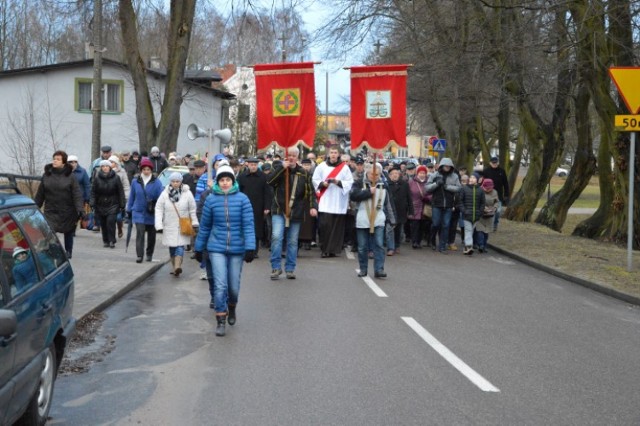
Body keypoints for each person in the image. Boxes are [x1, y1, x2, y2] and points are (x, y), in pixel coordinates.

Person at [194, 165, 255, 337]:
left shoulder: (243, 200)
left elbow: (248, 225)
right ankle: (220, 319)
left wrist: (250, 247)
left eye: (228, 180)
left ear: (233, 181)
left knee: (233, 287)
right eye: (222, 180)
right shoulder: (211, 200)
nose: (225, 183)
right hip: (216, 248)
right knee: (220, 285)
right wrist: (199, 248)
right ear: (218, 182)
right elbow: (205, 227)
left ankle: (232, 307)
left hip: (237, 248)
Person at [267, 146, 317, 280]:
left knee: (293, 241)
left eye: (294, 155)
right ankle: (276, 267)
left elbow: (310, 192)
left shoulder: (303, 173)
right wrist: (282, 168)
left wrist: (313, 207)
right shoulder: (279, 169)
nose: (292, 158)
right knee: (277, 237)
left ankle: (290, 268)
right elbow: (270, 181)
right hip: (279, 209)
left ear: (298, 158)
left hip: (296, 210)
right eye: (290, 155)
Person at [34, 150, 84, 258]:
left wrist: (80, 209)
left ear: (64, 163)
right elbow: (40, 193)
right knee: (49, 231)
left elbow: (77, 194)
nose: (55, 161)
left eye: (58, 159)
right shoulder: (47, 175)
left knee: (68, 231)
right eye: (54, 158)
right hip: (51, 210)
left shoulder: (70, 176)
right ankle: (52, 251)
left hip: (67, 210)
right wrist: (34, 207)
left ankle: (68, 251)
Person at [350, 162, 396, 278]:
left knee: (379, 245)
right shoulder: (359, 183)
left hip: (378, 218)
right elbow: (353, 195)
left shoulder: (384, 185)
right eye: (372, 174)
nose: (374, 176)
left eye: (377, 175)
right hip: (363, 218)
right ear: (367, 172)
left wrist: (392, 218)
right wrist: (368, 192)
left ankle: (379, 269)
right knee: (362, 247)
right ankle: (363, 269)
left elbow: (388, 203)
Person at [312, 145, 354, 258]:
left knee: (337, 228)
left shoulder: (344, 168)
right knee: (325, 226)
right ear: (328, 154)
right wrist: (322, 184)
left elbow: (350, 182)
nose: (333, 154)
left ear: (339, 154)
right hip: (325, 201)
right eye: (332, 152)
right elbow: (315, 180)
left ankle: (333, 250)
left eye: (335, 152)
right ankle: (324, 249)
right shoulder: (321, 166)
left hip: (339, 202)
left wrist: (338, 182)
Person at [155, 172, 198, 276]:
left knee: (180, 245)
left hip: (183, 223)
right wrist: (158, 224)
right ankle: (175, 267)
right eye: (173, 181)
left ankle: (178, 266)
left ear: (181, 181)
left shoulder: (187, 193)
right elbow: (159, 208)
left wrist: (195, 221)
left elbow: (192, 208)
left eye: (177, 181)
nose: (175, 183)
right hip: (169, 224)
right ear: (170, 182)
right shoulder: (165, 193)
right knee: (172, 247)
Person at [127, 158, 163, 263]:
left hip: (151, 212)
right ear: (141, 170)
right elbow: (131, 196)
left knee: (151, 235)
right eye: (144, 169)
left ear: (151, 170)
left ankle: (149, 253)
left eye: (148, 169)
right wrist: (129, 209)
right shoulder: (135, 181)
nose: (146, 171)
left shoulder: (157, 182)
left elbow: (161, 198)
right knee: (140, 232)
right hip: (138, 211)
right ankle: (139, 255)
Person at [426, 157, 462, 253]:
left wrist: (447, 187)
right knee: (436, 224)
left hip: (449, 205)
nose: (447, 167)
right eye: (445, 166)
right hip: (437, 203)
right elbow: (427, 188)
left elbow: (459, 188)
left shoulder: (454, 176)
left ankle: (442, 246)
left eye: (449, 166)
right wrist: (436, 184)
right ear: (442, 166)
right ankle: (432, 240)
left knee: (446, 225)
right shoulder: (434, 175)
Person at [237, 157, 271, 257]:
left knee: (257, 228)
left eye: (255, 165)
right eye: (251, 164)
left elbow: (267, 193)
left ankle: (254, 250)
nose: (253, 166)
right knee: (245, 226)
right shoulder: (242, 176)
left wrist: (267, 206)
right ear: (248, 165)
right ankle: (245, 248)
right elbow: (238, 191)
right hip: (245, 205)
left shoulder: (263, 177)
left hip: (259, 206)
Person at [90, 160, 126, 248]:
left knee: (110, 222)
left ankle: (112, 240)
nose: (105, 168)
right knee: (103, 223)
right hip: (101, 204)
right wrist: (92, 202)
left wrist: (122, 204)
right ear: (101, 168)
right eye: (103, 166)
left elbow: (120, 191)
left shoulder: (116, 177)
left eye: (107, 166)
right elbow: (93, 192)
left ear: (110, 167)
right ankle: (105, 240)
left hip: (113, 203)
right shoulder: (97, 178)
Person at [386, 166, 413, 255]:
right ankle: (391, 247)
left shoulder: (404, 184)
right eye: (392, 174)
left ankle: (397, 245)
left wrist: (411, 211)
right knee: (390, 229)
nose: (395, 175)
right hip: (390, 211)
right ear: (389, 176)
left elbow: (409, 198)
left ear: (399, 175)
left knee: (398, 230)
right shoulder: (386, 185)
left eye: (396, 174)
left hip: (401, 210)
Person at [458, 173, 485, 255]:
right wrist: (464, 210)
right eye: (471, 177)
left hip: (476, 215)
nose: (472, 179)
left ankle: (466, 248)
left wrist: (480, 212)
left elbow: (482, 202)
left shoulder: (480, 190)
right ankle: (469, 246)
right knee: (468, 230)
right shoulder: (464, 189)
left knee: (471, 231)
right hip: (467, 215)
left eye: (474, 178)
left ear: (477, 180)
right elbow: (460, 201)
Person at [483, 156, 510, 231]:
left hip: (499, 195)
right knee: (488, 210)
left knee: (497, 211)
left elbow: (505, 183)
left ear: (498, 163)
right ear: (490, 163)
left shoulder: (502, 171)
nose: (494, 164)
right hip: (487, 195)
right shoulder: (486, 171)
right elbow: (482, 183)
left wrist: (506, 194)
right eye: (493, 163)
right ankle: (489, 224)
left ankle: (495, 223)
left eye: (496, 162)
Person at [407, 165, 431, 249]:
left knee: (422, 226)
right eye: (420, 173)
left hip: (425, 207)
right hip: (415, 206)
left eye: (423, 173)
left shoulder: (428, 182)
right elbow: (408, 194)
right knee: (414, 225)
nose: (422, 174)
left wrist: (427, 197)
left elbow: (431, 193)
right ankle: (414, 241)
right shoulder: (411, 182)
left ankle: (419, 241)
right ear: (417, 173)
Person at [109, 155, 131, 239]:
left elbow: (126, 185)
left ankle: (120, 229)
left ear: (116, 163)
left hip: (119, 198)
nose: (111, 164)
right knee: (110, 219)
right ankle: (111, 236)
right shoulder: (105, 171)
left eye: (112, 162)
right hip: (108, 198)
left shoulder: (122, 172)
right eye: (110, 162)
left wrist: (126, 197)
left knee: (118, 218)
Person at [476, 178, 499, 253]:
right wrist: (483, 208)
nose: (488, 190)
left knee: (486, 231)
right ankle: (480, 245)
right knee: (480, 230)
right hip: (481, 214)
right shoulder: (479, 191)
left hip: (490, 214)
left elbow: (496, 202)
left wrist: (494, 208)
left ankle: (484, 246)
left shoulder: (494, 192)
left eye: (490, 188)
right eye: (487, 188)